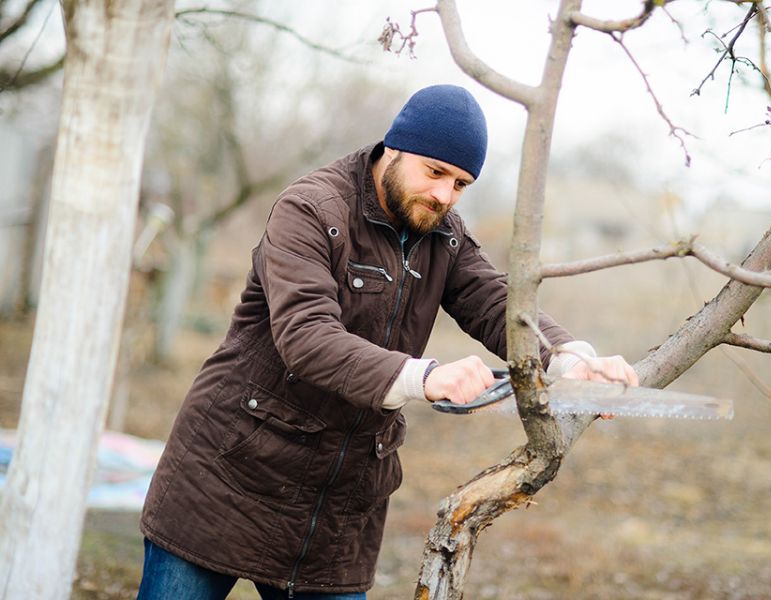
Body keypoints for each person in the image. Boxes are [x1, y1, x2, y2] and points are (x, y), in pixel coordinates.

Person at [137, 84, 638, 600]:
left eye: (461, 183)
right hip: (227, 477)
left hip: (336, 506)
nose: (444, 195)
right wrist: (422, 377)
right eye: (435, 172)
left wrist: (570, 359)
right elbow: (306, 336)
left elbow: (496, 304)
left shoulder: (444, 235)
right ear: (393, 149)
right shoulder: (311, 210)